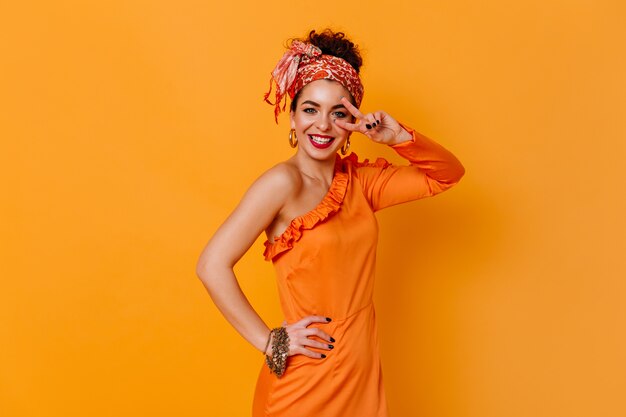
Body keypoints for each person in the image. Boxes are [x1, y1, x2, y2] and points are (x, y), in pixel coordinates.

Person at [196, 29, 465, 417]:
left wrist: (398, 136)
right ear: (292, 115)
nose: (322, 125)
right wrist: (271, 341)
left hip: (359, 373)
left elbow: (446, 175)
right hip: (305, 379)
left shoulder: (360, 182)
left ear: (352, 121)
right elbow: (211, 265)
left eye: (337, 113)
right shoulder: (280, 184)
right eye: (310, 109)